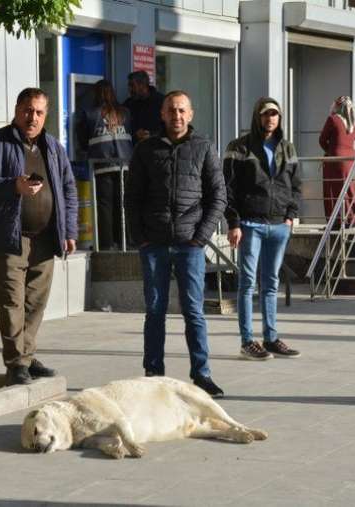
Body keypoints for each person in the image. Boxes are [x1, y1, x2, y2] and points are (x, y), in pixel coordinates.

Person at [0, 88, 78, 386]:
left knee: (35, 303)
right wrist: (13, 186)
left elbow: (68, 189)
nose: (33, 117)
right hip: (9, 236)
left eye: (39, 112)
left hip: (46, 237)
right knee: (11, 302)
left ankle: (26, 356)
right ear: (17, 110)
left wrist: (69, 230)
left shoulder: (53, 147)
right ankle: (17, 363)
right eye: (28, 110)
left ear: (46, 116)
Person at [127, 90, 227, 397]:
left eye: (182, 110)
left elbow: (218, 197)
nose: (177, 116)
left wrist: (201, 237)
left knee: (194, 311)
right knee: (154, 310)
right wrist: (140, 238)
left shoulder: (204, 148)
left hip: (190, 244)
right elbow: (131, 198)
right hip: (154, 244)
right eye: (171, 110)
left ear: (191, 114)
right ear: (162, 114)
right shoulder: (146, 150)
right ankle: (153, 372)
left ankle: (202, 374)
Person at [223, 97, 302, 361]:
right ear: (257, 117)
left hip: (279, 225)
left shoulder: (287, 148)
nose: (271, 119)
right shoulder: (239, 147)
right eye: (266, 114)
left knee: (271, 283)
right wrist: (233, 222)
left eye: (275, 114)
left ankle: (270, 338)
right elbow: (228, 188)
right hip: (250, 225)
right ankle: (247, 341)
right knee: (247, 283)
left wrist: (290, 217)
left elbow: (296, 185)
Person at [75, 80, 133, 250]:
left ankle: (106, 244)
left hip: (102, 165)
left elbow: (83, 141)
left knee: (105, 206)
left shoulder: (90, 113)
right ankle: (124, 242)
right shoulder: (126, 113)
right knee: (122, 205)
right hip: (125, 165)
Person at [319, 95, 355, 223]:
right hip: (350, 160)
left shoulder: (333, 119)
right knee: (349, 189)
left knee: (334, 190)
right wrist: (353, 155)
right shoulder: (354, 124)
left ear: (337, 106)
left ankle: (338, 221)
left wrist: (330, 152)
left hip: (335, 161)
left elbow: (322, 140)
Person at [123, 70, 165, 143]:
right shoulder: (128, 104)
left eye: (132, 85)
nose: (129, 89)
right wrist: (135, 133)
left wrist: (152, 134)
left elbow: (169, 126)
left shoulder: (161, 101)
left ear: (142, 85)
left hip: (157, 148)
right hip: (135, 150)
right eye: (129, 85)